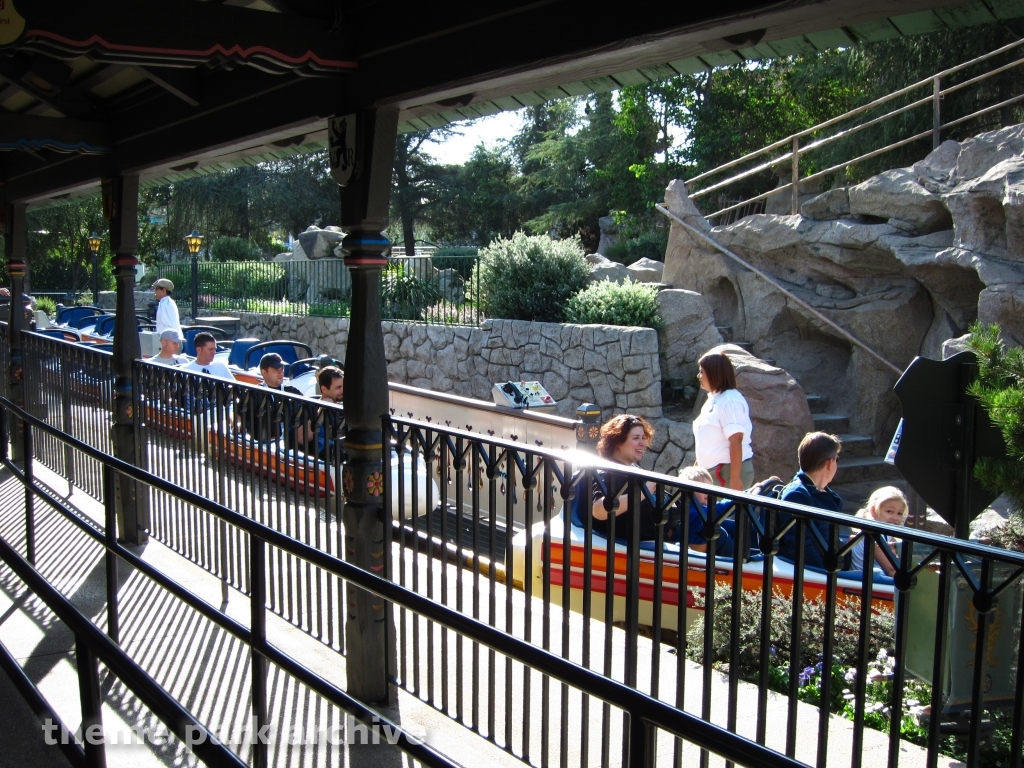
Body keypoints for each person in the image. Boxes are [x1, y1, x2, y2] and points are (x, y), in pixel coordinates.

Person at [776, 432, 843, 569]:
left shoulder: (822, 492)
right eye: (837, 459)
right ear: (829, 463)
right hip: (817, 575)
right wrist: (829, 574)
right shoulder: (796, 495)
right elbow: (800, 548)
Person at [591, 414, 660, 542]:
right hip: (630, 549)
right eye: (636, 438)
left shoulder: (631, 468)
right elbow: (599, 509)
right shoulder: (608, 472)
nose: (643, 443)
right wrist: (643, 493)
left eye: (643, 438)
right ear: (617, 442)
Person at [693, 351, 754, 491]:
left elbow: (736, 440)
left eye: (702, 372)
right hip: (716, 472)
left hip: (727, 472)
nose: (698, 376)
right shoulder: (714, 399)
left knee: (723, 513)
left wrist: (735, 477)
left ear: (714, 373)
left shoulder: (730, 400)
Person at [243, 352, 309, 449]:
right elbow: (237, 413)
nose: (280, 373)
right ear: (264, 373)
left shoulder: (291, 391)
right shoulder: (253, 393)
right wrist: (237, 423)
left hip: (289, 446)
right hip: (264, 446)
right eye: (275, 370)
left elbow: (307, 409)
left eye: (282, 369)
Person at [677, 466, 736, 556]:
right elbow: (720, 508)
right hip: (692, 557)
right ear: (688, 492)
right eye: (703, 489)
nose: (708, 493)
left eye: (710, 490)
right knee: (720, 532)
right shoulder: (692, 511)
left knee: (736, 527)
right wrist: (748, 494)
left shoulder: (702, 508)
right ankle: (739, 563)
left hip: (702, 552)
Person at [849, 487, 908, 576]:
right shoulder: (871, 534)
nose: (895, 518)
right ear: (874, 511)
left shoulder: (887, 533)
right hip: (865, 582)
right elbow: (892, 570)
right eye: (889, 511)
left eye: (899, 513)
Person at [314, 365, 345, 461]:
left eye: (344, 386)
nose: (343, 390)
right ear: (324, 389)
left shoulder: (344, 406)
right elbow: (302, 438)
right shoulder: (311, 407)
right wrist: (321, 411)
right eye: (338, 387)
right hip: (326, 458)